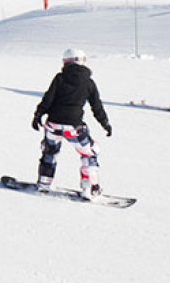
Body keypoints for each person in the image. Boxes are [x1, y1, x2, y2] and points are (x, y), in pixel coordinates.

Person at [31, 48, 112, 198]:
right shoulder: (88, 82)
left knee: (50, 152)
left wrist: (38, 115)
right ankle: (89, 189)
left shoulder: (59, 78)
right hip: (73, 127)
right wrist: (105, 123)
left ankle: (44, 183)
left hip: (53, 125)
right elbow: (96, 105)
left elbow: (48, 99)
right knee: (90, 152)